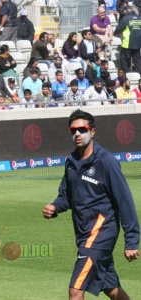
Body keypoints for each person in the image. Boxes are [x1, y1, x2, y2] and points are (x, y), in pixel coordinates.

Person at [42, 109, 140, 300]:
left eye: (82, 129)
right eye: (73, 131)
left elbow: (125, 200)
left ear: (92, 131)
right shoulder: (71, 162)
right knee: (110, 288)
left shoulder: (106, 162)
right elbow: (66, 195)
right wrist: (55, 207)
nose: (77, 134)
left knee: (76, 290)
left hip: (101, 233)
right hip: (84, 234)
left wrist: (131, 241)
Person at [114, 2, 141, 74]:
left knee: (123, 57)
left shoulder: (126, 18)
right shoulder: (139, 18)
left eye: (124, 11)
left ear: (126, 11)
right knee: (137, 60)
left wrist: (114, 34)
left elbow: (119, 29)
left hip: (128, 42)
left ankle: (126, 72)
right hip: (138, 43)